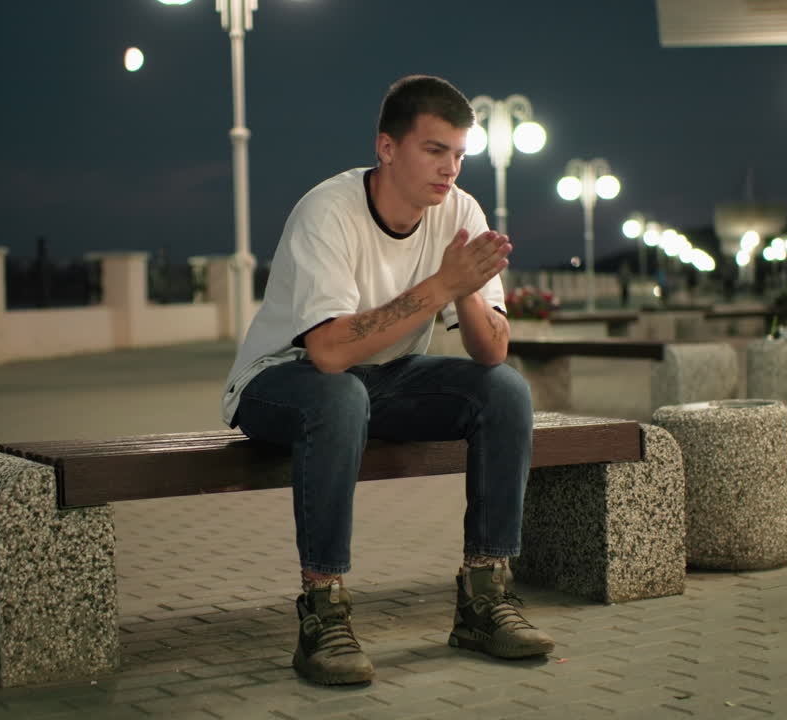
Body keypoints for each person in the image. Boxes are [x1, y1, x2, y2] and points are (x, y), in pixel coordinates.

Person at [220, 75, 553, 685]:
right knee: (339, 395)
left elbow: (493, 352)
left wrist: (470, 289)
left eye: (458, 154)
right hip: (279, 382)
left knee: (505, 392)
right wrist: (442, 287)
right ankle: (323, 613)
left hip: (385, 378)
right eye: (434, 150)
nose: (449, 169)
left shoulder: (461, 212)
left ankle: (484, 597)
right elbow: (325, 352)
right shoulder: (329, 211)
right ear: (388, 148)